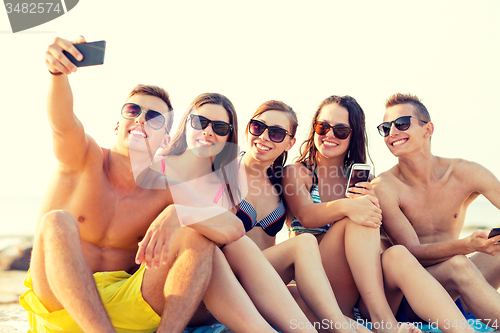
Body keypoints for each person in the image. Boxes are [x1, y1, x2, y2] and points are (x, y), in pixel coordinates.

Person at [19, 36, 271, 333]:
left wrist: (178, 213)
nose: (140, 120)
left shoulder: (166, 188)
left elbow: (234, 228)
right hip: (61, 303)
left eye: (153, 118)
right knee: (56, 221)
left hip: (127, 305)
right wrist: (57, 75)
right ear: (117, 124)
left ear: (165, 139)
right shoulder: (82, 157)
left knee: (197, 235)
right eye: (133, 111)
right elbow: (61, 121)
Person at [282, 95, 477, 333]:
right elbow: (307, 215)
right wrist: (350, 206)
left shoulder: (365, 182)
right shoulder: (297, 172)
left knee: (397, 254)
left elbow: (379, 242)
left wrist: (372, 203)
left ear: (353, 136)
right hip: (319, 289)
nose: (330, 134)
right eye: (323, 127)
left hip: (358, 297)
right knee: (359, 215)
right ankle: (384, 322)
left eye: (341, 130)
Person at [372, 93, 500, 325]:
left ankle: (478, 307)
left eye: (401, 124)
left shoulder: (465, 172)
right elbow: (411, 251)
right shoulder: (385, 187)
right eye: (385, 128)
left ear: (428, 129)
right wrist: (466, 245)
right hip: (411, 298)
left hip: (458, 291)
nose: (392, 133)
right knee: (458, 264)